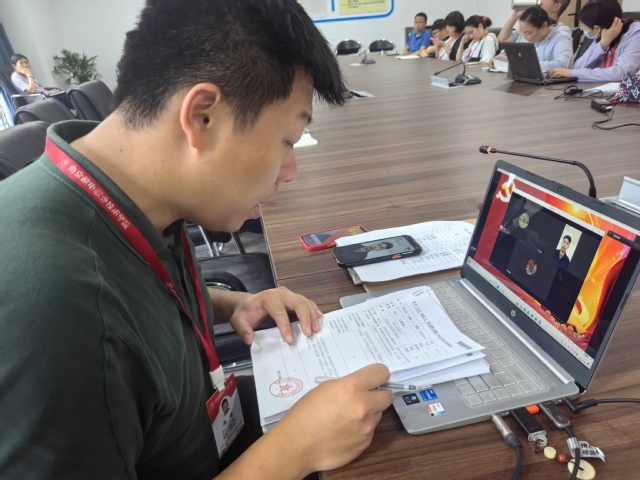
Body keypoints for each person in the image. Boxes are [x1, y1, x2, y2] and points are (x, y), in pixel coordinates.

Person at [0, 1, 394, 479]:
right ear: (202, 117)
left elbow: (135, 308)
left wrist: (228, 304)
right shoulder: (57, 313)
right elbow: (104, 326)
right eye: (288, 141)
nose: (290, 171)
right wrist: (294, 450)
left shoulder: (126, 190)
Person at [548, 0, 640, 81]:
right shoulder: (604, 33)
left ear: (597, 28)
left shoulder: (636, 33)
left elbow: (621, 73)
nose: (584, 31)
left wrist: (572, 73)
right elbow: (578, 67)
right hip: (597, 88)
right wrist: (602, 45)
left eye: (584, 27)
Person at [489, 7, 574, 71]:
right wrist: (500, 59)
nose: (525, 37)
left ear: (544, 26)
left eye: (528, 33)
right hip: (537, 80)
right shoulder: (534, 37)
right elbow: (522, 58)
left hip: (557, 84)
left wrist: (526, 65)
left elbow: (561, 64)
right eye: (523, 33)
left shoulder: (561, 36)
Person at [497, 0, 573, 44]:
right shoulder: (530, 25)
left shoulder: (557, 33)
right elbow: (502, 40)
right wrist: (515, 15)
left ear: (556, 6)